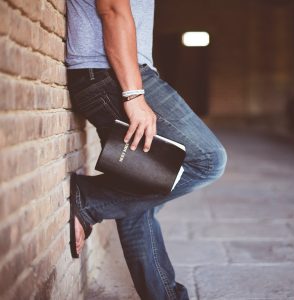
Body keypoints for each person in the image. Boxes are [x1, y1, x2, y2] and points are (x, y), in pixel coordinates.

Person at [65, 0, 228, 299]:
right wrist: (134, 94)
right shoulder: (124, 84)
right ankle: (90, 199)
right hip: (111, 77)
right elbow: (113, 9)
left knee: (138, 194)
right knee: (208, 160)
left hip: (106, 74)